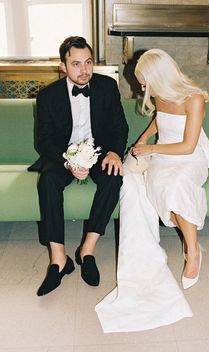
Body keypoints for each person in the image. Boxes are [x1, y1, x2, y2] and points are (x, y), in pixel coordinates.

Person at [95, 49, 209, 333]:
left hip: (189, 158)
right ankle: (178, 244)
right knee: (152, 186)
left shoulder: (194, 98)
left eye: (143, 81)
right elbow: (159, 119)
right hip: (164, 155)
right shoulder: (160, 94)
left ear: (157, 76)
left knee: (175, 187)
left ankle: (193, 250)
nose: (141, 87)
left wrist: (150, 148)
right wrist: (144, 136)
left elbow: (187, 146)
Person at [34, 36, 128, 296]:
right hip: (63, 155)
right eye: (75, 64)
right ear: (63, 66)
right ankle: (59, 259)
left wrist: (113, 153)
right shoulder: (47, 96)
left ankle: (87, 249)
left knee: (114, 177)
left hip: (99, 153)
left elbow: (119, 126)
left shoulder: (107, 87)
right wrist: (69, 161)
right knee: (48, 180)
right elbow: (44, 140)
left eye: (88, 62)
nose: (84, 70)